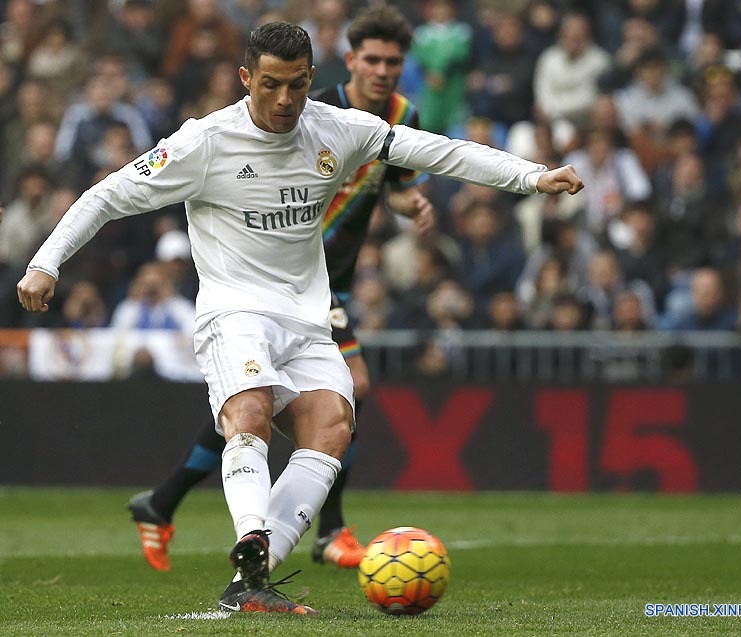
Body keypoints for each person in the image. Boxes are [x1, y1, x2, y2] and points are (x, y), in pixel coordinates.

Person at [17, 21, 583, 615]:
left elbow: (438, 150)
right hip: (235, 310)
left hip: (307, 318)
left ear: (312, 78)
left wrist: (531, 176)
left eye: (296, 85)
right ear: (246, 78)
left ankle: (251, 579)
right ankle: (250, 536)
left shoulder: (339, 129)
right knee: (249, 412)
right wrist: (46, 263)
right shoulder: (204, 142)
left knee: (333, 425)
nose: (285, 99)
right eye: (270, 85)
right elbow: (106, 194)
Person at [128, 5, 433, 574]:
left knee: (261, 402)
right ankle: (330, 528)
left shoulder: (400, 116)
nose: (383, 71)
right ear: (349, 62)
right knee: (335, 388)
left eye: (393, 62)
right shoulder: (318, 109)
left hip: (328, 284)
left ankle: (165, 500)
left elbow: (393, 183)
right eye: (372, 60)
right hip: (285, 284)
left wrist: (407, 201)